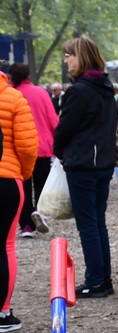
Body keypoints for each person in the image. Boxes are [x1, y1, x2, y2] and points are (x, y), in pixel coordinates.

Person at [52, 36, 118, 298]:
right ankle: (103, 279)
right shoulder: (106, 88)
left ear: (82, 58)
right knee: (97, 223)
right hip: (102, 163)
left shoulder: (79, 91)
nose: (66, 60)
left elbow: (64, 128)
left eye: (69, 55)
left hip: (83, 164)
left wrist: (59, 152)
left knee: (88, 225)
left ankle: (96, 280)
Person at [0, 69, 39, 332]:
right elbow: (27, 146)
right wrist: (23, 174)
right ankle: (3, 313)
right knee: (5, 245)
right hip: (6, 179)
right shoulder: (13, 98)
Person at [8, 63, 58, 237]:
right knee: (42, 184)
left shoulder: (10, 94)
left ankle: (26, 226)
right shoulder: (41, 93)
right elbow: (53, 121)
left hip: (17, 149)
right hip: (42, 147)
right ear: (28, 75)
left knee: (24, 188)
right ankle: (39, 212)